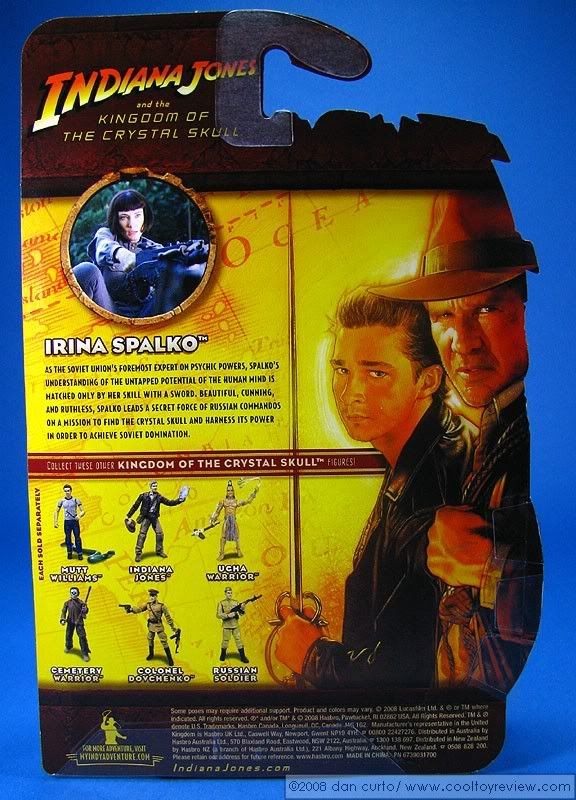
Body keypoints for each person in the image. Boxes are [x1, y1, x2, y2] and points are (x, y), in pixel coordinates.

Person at [371, 189, 543, 694]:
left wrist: (499, 574)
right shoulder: (450, 433)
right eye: (443, 316)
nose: (463, 343)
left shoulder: (535, 428)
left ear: (523, 309)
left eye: (485, 308)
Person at [275, 288, 472, 688]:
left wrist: (311, 656)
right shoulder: (426, 449)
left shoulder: (430, 491)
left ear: (427, 380)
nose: (351, 393)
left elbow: (403, 675)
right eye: (342, 370)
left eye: (376, 373)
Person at [72, 188, 208, 318]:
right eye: (124, 217)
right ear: (116, 220)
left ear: (145, 217)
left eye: (137, 215)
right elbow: (103, 246)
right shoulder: (106, 235)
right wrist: (124, 256)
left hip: (145, 317)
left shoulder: (155, 249)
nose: (132, 224)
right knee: (86, 270)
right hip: (108, 311)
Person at [126, 481, 187, 562]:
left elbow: (169, 503)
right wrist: (128, 515)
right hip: (146, 517)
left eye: (156, 486)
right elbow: (135, 506)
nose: (155, 487)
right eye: (154, 486)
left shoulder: (159, 497)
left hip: (154, 518)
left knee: (160, 533)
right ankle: (138, 553)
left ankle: (159, 551)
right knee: (142, 535)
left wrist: (179, 500)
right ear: (150, 487)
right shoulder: (143, 496)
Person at [125, 588, 178, 666]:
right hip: (151, 626)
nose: (151, 598)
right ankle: (151, 654)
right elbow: (139, 609)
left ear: (156, 596)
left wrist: (173, 628)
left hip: (159, 626)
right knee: (150, 639)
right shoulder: (148, 605)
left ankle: (170, 659)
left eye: (153, 596)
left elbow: (168, 617)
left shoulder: (161, 606)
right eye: (150, 596)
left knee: (164, 641)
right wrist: (131, 609)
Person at [210, 480, 260, 560]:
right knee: (223, 537)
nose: (230, 492)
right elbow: (217, 511)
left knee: (237, 536)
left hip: (233, 520)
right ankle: (222, 553)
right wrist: (213, 520)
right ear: (226, 492)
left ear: (233, 492)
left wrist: (254, 492)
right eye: (228, 490)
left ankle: (238, 551)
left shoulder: (236, 502)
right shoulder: (223, 501)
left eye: (231, 490)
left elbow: (247, 501)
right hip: (226, 521)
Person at [217, 586, 249, 663]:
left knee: (238, 640)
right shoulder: (221, 603)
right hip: (226, 625)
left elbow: (241, 614)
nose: (230, 594)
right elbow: (218, 615)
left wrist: (242, 608)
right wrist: (228, 615)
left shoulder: (236, 602)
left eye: (231, 593)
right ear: (225, 593)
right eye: (228, 593)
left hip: (235, 625)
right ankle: (223, 655)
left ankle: (242, 657)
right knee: (225, 641)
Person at [54, 484, 85, 560]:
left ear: (71, 491)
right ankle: (69, 552)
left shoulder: (76, 500)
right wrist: (55, 521)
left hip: (74, 522)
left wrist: (79, 516)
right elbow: (56, 511)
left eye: (68, 491)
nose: (67, 492)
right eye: (65, 491)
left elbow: (83, 511)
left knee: (77, 537)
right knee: (68, 538)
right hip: (67, 522)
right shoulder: (61, 501)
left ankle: (80, 553)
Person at [60, 586, 90, 662]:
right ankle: (68, 646)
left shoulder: (81, 603)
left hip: (79, 622)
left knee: (82, 637)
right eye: (72, 593)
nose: (73, 594)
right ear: (70, 593)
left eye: (75, 593)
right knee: (68, 635)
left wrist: (85, 609)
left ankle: (85, 653)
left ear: (78, 593)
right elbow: (63, 611)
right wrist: (63, 619)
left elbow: (85, 611)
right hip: (70, 621)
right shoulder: (67, 603)